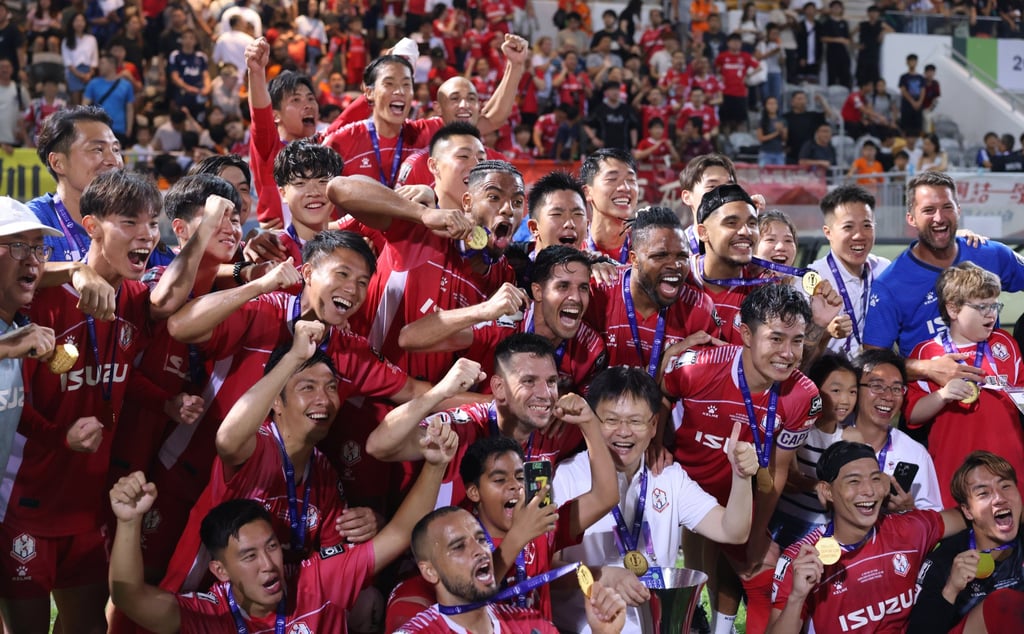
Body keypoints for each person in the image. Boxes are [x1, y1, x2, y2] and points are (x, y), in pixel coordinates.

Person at [0, 170, 176, 633]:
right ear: (92, 225)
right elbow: (14, 408)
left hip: (88, 504)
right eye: (130, 222)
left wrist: (166, 403)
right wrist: (61, 437)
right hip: (26, 505)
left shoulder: (136, 299)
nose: (146, 235)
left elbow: (121, 372)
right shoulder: (40, 301)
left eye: (153, 223)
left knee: (87, 627)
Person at [108, 411, 459, 632]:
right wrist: (127, 523)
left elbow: (398, 533)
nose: (269, 565)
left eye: (272, 547)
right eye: (249, 556)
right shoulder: (210, 616)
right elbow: (128, 596)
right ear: (220, 571)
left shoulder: (315, 583)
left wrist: (434, 465)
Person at [661, 282, 821, 634]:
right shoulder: (696, 367)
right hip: (680, 490)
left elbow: (777, 469)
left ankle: (723, 627)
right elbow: (660, 395)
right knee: (668, 585)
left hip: (737, 494)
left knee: (760, 563)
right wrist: (659, 445)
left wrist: (754, 534)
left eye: (797, 340)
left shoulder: (803, 396)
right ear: (746, 334)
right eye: (776, 338)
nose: (788, 353)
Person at [551, 367, 760, 633]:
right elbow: (545, 568)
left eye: (636, 421)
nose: (623, 432)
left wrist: (741, 477)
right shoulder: (566, 478)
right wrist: (603, 576)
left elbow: (733, 531)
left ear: (653, 427)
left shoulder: (668, 477)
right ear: (590, 421)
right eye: (611, 420)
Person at [326, 160, 522, 383]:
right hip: (357, 387)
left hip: (426, 408)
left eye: (517, 202)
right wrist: (421, 213)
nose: (508, 209)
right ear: (467, 202)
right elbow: (338, 188)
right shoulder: (422, 233)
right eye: (494, 197)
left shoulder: (506, 279)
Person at [367, 333, 591, 508]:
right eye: (529, 381)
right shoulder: (464, 426)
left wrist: (587, 419)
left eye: (551, 382)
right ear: (499, 388)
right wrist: (439, 392)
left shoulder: (553, 427)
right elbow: (378, 446)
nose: (545, 393)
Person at [768, 440, 968, 633]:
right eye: (854, 481)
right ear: (827, 491)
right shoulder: (802, 559)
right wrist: (797, 597)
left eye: (875, 479)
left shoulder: (908, 529)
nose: (869, 491)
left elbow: (969, 515)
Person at [863, 171, 1024, 382]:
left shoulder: (989, 253)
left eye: (947, 207)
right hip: (929, 403)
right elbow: (873, 359)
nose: (939, 217)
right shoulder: (891, 284)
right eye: (929, 210)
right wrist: (926, 368)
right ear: (911, 218)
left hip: (994, 395)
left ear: (958, 210)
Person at [398, 246, 607, 394]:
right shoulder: (504, 323)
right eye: (563, 286)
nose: (576, 298)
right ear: (538, 291)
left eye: (583, 288)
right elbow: (409, 339)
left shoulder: (591, 347)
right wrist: (484, 310)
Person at [397, 506, 627, 633]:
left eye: (481, 539)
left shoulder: (532, 624)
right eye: (459, 546)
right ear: (429, 571)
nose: (480, 550)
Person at [905, 263, 1024, 507]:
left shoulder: (1006, 343)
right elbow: (912, 415)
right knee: (960, 543)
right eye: (981, 307)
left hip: (1011, 473)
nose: (991, 314)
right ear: (953, 308)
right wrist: (943, 395)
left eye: (994, 305)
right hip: (954, 476)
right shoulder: (928, 353)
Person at [586, 205, 721, 370]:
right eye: (660, 256)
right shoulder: (599, 293)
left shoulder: (700, 309)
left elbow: (704, 386)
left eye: (682, 256)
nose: (675, 265)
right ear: (634, 259)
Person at [908, 451, 1024, 634]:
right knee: (1001, 604)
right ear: (968, 511)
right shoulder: (943, 561)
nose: (1000, 498)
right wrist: (950, 590)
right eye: (984, 493)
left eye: (1006, 486)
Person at [770, 354, 864, 549]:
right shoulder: (797, 428)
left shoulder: (851, 438)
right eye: (836, 390)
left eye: (852, 392)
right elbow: (789, 479)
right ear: (815, 389)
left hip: (820, 529)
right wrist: (817, 486)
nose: (845, 400)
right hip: (778, 516)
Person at [27, 106, 123, 262]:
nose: (114, 161)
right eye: (98, 149)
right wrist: (75, 271)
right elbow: (14, 272)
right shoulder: (34, 221)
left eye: (116, 149)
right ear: (57, 163)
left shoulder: (133, 219)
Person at [851, 349, 943, 512]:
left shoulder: (915, 454)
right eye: (877, 386)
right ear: (855, 390)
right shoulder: (833, 439)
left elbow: (932, 516)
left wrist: (909, 509)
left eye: (896, 389)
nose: (888, 397)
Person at [806, 185, 891, 359]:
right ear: (828, 233)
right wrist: (825, 332)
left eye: (867, 225)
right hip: (828, 381)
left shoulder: (884, 269)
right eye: (848, 227)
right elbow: (798, 350)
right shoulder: (812, 279)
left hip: (875, 377)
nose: (859, 235)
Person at [245, 38, 320, 229]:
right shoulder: (269, 148)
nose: (308, 105)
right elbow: (260, 114)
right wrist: (256, 72)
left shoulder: (326, 146)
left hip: (322, 244)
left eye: (311, 99)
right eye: (296, 100)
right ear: (275, 115)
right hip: (279, 248)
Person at [580, 148, 640, 264]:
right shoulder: (574, 251)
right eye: (612, 179)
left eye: (631, 180)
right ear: (587, 192)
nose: (625, 188)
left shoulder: (648, 250)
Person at [82, 53, 134, 142]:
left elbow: (129, 108)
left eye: (102, 63)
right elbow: (84, 106)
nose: (99, 66)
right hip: (98, 128)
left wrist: (129, 129)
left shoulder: (126, 85)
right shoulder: (93, 83)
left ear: (111, 65)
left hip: (119, 129)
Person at [820, 0, 852, 88]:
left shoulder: (844, 22)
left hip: (843, 52)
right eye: (834, 7)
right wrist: (838, 40)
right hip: (832, 52)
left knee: (845, 75)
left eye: (839, 7)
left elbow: (847, 38)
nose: (837, 9)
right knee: (832, 75)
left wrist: (846, 41)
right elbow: (823, 38)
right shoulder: (827, 22)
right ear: (830, 9)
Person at [899, 53, 926, 139]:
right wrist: (912, 102)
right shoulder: (904, 77)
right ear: (907, 62)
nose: (912, 63)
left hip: (918, 106)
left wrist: (919, 102)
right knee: (905, 127)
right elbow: (903, 90)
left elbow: (923, 90)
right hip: (907, 106)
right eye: (910, 61)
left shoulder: (921, 77)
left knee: (918, 127)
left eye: (914, 61)